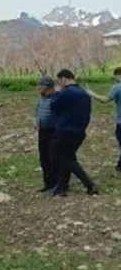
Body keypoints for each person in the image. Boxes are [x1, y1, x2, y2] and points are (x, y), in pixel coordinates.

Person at [49, 69, 99, 197]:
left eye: (59, 81)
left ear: (64, 79)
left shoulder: (66, 92)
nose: (58, 84)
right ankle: (62, 187)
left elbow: (53, 105)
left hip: (65, 130)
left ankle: (89, 185)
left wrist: (57, 92)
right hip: (80, 131)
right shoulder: (83, 92)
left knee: (66, 159)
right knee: (67, 158)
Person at [35, 76, 58, 192]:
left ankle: (57, 183)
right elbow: (37, 110)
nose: (38, 87)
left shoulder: (56, 98)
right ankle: (48, 183)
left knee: (53, 158)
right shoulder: (40, 98)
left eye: (41, 85)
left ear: (48, 87)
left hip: (54, 131)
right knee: (43, 158)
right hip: (42, 131)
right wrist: (37, 122)